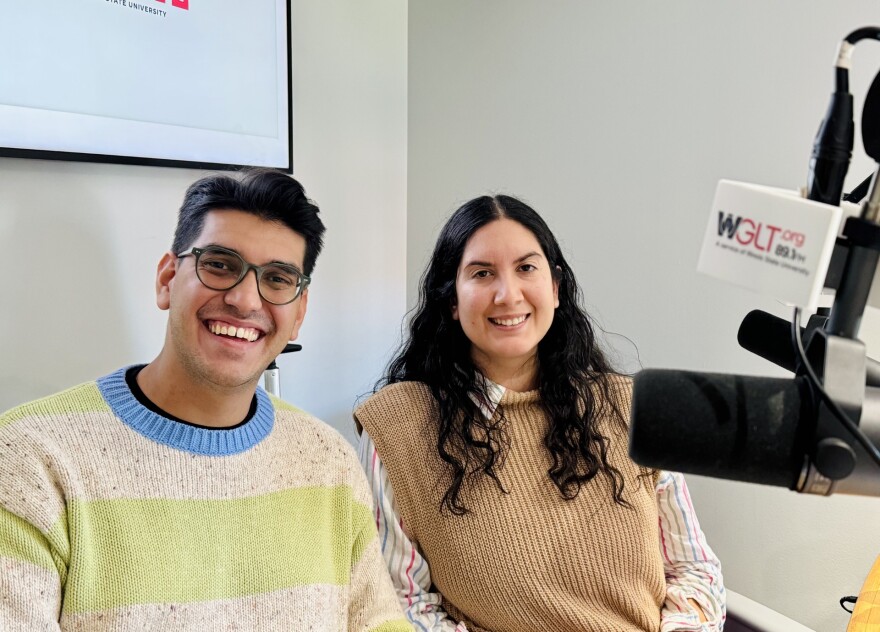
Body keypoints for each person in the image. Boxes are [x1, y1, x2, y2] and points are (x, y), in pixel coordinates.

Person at [0, 169, 410, 632]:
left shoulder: (329, 461)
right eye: (219, 264)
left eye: (277, 279)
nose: (243, 298)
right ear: (167, 278)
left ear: (299, 314)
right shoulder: (30, 458)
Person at [354, 194, 725, 632]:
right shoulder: (396, 427)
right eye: (481, 273)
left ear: (555, 287)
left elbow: (696, 574)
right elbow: (403, 604)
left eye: (526, 268)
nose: (507, 294)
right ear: (451, 299)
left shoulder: (636, 410)